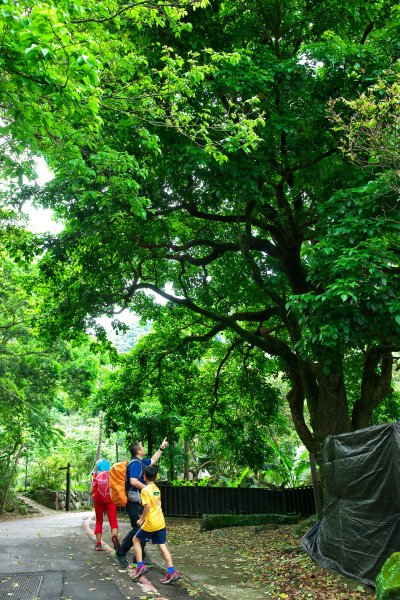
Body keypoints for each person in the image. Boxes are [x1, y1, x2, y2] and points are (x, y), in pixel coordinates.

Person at [114, 438, 168, 567]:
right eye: (142, 447)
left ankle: (138, 560)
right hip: (135, 502)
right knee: (138, 529)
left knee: (142, 529)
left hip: (139, 501)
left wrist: (161, 448)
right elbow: (133, 481)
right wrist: (148, 489)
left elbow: (153, 460)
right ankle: (121, 552)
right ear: (138, 451)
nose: (143, 448)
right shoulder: (135, 464)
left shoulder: (141, 463)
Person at [131, 465, 180, 584]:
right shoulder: (156, 489)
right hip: (160, 522)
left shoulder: (145, 490)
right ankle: (171, 571)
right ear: (156, 477)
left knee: (136, 540)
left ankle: (140, 566)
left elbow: (147, 506)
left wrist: (141, 519)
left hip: (151, 522)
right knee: (162, 545)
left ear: (144, 477)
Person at [91, 458, 119, 551]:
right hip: (110, 501)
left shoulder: (96, 476)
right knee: (113, 520)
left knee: (99, 521)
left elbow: (91, 490)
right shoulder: (111, 475)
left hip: (98, 502)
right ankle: (114, 536)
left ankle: (98, 544)